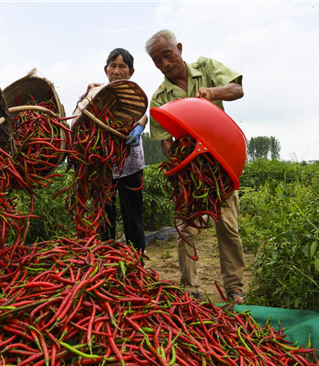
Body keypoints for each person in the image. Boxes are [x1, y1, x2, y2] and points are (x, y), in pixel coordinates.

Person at [145, 29, 246, 304]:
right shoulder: (160, 98)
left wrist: (212, 92)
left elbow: (237, 89)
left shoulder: (206, 69)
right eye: (157, 60)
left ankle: (234, 287)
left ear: (179, 48)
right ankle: (190, 287)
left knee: (227, 225)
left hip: (219, 165)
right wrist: (181, 157)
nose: (164, 63)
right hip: (190, 172)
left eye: (167, 54)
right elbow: (165, 143)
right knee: (185, 229)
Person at [82, 48, 147, 255]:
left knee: (132, 214)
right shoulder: (99, 93)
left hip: (130, 163)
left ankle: (137, 260)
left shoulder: (134, 95)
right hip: (103, 164)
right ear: (105, 69)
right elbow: (82, 112)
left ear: (131, 71)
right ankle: (106, 258)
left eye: (122, 66)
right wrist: (88, 92)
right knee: (104, 214)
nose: (116, 71)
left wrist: (140, 126)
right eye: (113, 66)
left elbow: (146, 113)